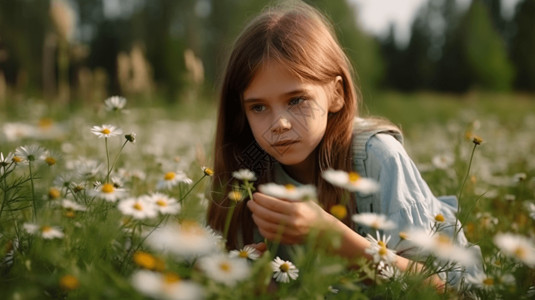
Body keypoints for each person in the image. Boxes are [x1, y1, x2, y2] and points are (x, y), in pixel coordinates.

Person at [207, 0, 481, 289]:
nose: (280, 124)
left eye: (296, 100)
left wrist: (330, 237)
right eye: (258, 108)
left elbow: (441, 291)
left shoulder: (377, 157)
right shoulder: (249, 170)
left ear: (336, 94)